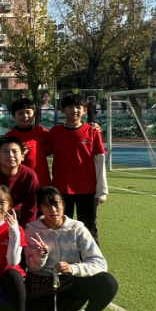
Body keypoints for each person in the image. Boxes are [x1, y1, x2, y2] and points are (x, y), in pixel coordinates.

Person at [25, 186, 118, 311]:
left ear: (63, 204)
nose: (53, 209)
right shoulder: (32, 229)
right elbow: (33, 267)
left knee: (107, 281)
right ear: (40, 208)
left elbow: (99, 263)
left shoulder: (77, 228)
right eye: (46, 205)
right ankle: (43, 309)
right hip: (42, 284)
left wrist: (73, 268)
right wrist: (41, 255)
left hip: (69, 280)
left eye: (56, 204)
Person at [47, 94, 107, 242]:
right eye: (70, 107)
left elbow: (100, 161)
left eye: (78, 107)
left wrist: (102, 191)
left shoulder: (92, 132)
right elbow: (42, 152)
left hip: (87, 189)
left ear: (84, 110)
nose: (74, 110)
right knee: (61, 226)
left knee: (88, 228)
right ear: (62, 110)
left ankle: (91, 256)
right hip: (61, 188)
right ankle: (63, 254)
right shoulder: (55, 132)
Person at [5, 98, 51, 187]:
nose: (25, 116)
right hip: (19, 183)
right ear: (14, 116)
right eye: (20, 113)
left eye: (28, 112)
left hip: (42, 181)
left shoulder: (42, 132)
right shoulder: (8, 137)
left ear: (34, 114)